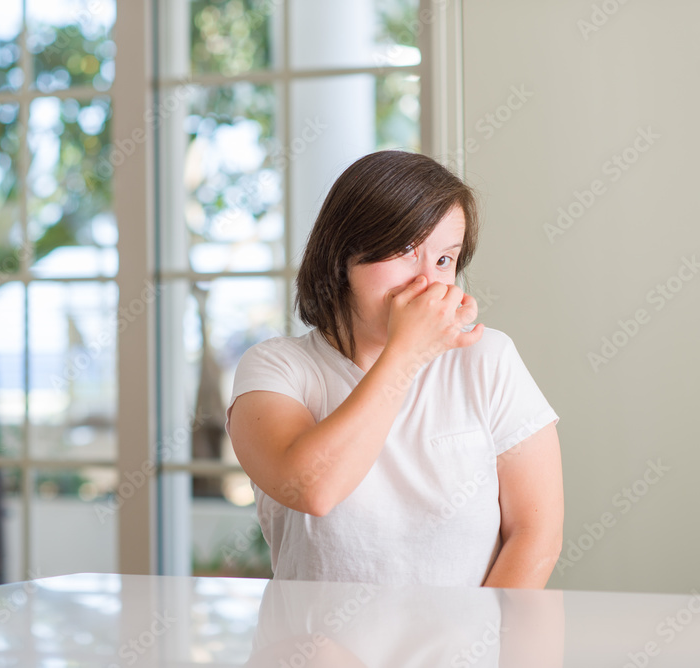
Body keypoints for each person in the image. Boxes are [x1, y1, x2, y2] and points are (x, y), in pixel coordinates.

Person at [225, 150, 563, 588]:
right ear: (342, 257)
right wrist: (408, 353)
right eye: (405, 251)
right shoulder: (276, 369)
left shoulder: (488, 359)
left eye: (445, 260)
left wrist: (480, 648)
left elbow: (536, 536)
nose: (427, 282)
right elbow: (311, 489)